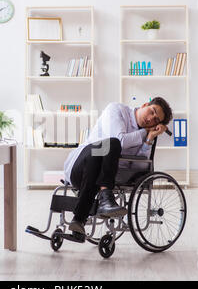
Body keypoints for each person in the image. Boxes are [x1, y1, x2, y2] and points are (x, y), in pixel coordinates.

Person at [63, 97, 173, 235]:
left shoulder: (146, 135)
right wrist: (145, 132)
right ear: (145, 104)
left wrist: (149, 139)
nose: (151, 119)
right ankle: (105, 197)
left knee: (100, 165)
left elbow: (138, 168)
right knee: (111, 144)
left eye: (156, 120)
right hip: (80, 165)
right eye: (152, 111)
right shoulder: (116, 109)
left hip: (98, 178)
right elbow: (120, 141)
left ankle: (79, 220)